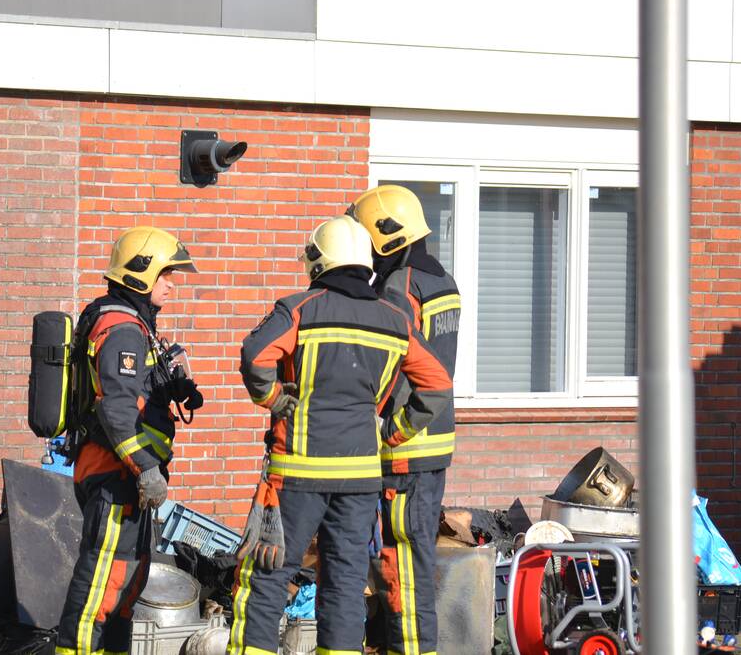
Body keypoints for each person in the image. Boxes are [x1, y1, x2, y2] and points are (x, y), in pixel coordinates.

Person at [228, 216, 453, 655]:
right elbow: (438, 385)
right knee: (346, 584)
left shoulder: (298, 308)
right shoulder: (395, 320)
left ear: (319, 263)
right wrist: (395, 431)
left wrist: (273, 398)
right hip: (360, 481)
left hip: (296, 476)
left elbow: (255, 356)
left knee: (267, 576)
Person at [55, 226, 203, 655]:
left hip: (127, 476)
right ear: (141, 273)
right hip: (116, 473)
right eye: (166, 275)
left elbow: (134, 394)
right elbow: (117, 411)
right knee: (101, 583)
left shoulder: (133, 324)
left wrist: (173, 389)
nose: (172, 285)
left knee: (126, 581)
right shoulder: (122, 329)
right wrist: (147, 468)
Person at [348, 184, 461, 655]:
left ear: (384, 239)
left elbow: (389, 364)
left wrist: (377, 427)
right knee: (414, 559)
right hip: (433, 443)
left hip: (403, 447)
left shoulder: (399, 286)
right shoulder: (442, 280)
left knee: (402, 567)